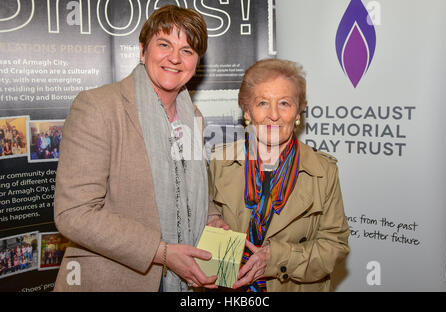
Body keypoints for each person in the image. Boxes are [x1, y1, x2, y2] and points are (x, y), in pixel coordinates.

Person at [53, 5, 217, 292]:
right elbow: (74, 213)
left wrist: (214, 219)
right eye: (164, 44)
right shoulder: (99, 107)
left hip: (184, 282)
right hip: (112, 280)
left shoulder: (194, 118)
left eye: (187, 51)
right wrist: (161, 251)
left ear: (195, 62)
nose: (175, 58)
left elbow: (192, 189)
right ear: (143, 51)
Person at [207, 59, 350, 292]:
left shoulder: (323, 171)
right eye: (262, 102)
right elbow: (204, 226)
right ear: (247, 111)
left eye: (284, 103)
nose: (273, 115)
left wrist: (277, 258)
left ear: (298, 112)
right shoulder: (219, 162)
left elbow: (335, 246)